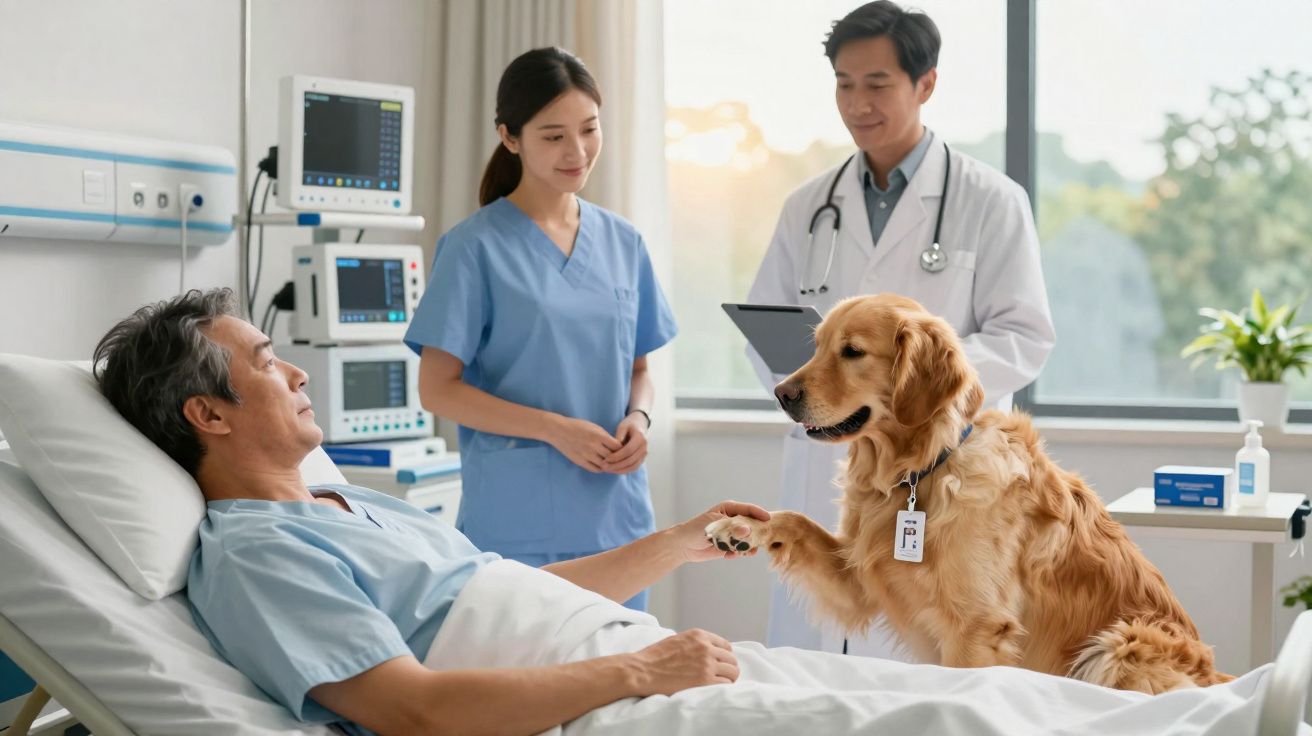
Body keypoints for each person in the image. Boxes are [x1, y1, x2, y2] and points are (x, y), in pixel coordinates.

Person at [90, 290, 1273, 736]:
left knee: (978, 693)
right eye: (265, 363)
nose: (298, 372)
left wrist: (672, 545)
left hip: (616, 653)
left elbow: (506, 591)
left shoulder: (352, 502)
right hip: (595, 701)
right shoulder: (253, 552)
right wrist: (638, 678)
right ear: (206, 416)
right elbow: (410, 710)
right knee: (931, 721)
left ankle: (1244, 713)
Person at [747, 1, 1056, 656]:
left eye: (877, 83)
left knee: (932, 670)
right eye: (844, 83)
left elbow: (1024, 335)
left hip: (945, 481)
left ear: (925, 84)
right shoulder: (808, 207)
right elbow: (769, 327)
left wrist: (912, 386)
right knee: (812, 682)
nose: (858, 103)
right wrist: (827, 400)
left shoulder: (992, 202)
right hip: (833, 461)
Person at [404, 47, 677, 611]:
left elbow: (640, 365)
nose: (576, 152)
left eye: (589, 129)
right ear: (510, 137)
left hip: (616, 516)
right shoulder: (473, 247)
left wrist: (640, 418)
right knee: (531, 680)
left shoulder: (624, 242)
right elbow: (437, 389)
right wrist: (555, 429)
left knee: (627, 684)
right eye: (553, 136)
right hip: (517, 522)